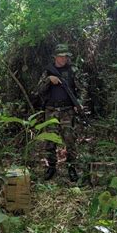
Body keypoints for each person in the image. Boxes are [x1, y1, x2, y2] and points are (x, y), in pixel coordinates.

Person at [36, 44, 82, 182]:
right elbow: (38, 90)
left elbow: (82, 88)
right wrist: (49, 80)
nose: (64, 59)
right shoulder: (48, 71)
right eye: (61, 56)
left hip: (67, 110)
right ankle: (51, 167)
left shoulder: (73, 70)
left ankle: (72, 167)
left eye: (65, 56)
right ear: (55, 57)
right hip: (51, 110)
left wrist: (78, 103)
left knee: (70, 139)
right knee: (50, 140)